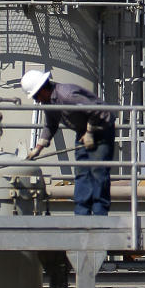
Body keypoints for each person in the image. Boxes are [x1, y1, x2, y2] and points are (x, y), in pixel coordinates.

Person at [21, 70, 115, 217]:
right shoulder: (49, 103)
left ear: (42, 89)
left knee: (98, 172)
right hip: (82, 132)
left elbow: (98, 111)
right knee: (81, 173)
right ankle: (82, 215)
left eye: (35, 95)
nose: (37, 100)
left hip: (102, 128)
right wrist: (38, 148)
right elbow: (50, 125)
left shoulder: (67, 95)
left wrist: (90, 131)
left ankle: (99, 215)